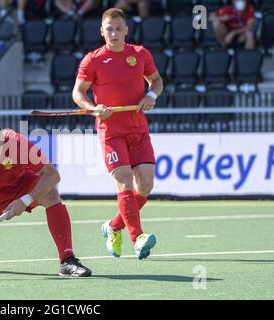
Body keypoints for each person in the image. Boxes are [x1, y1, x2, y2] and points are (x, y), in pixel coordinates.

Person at [72, 8, 163, 259]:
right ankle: (137, 238)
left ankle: (113, 227)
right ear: (102, 31)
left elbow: (156, 81)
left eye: (118, 28)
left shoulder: (140, 54)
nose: (113, 33)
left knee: (144, 185)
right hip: (111, 132)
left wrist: (150, 95)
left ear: (126, 30)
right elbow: (78, 93)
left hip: (138, 129)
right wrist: (93, 109)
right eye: (109, 29)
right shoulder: (92, 60)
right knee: (124, 180)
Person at [0, 120, 92, 277]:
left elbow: (52, 175)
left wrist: (25, 200)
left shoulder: (17, 143)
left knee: (51, 194)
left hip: (21, 184)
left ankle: (67, 260)